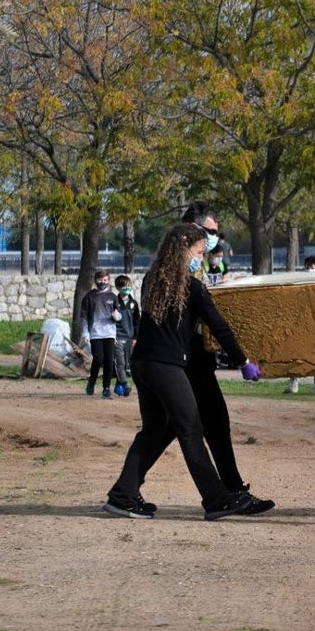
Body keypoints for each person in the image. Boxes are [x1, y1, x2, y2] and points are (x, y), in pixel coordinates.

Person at [102, 223, 264, 520]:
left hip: (142, 364)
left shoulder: (153, 279)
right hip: (167, 367)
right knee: (191, 429)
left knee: (155, 431)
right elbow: (220, 328)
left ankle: (122, 495)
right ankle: (216, 500)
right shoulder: (193, 287)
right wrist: (243, 362)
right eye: (199, 252)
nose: (201, 258)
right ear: (184, 248)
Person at [179, 201, 275, 515]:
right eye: (209, 232)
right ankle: (228, 493)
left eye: (216, 233)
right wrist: (241, 360)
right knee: (210, 426)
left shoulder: (198, 265)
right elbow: (209, 320)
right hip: (185, 363)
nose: (214, 239)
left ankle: (124, 490)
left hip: (191, 361)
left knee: (163, 432)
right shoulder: (181, 270)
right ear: (191, 230)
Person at [287, 257, 315, 395]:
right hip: (302, 324)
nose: (310, 269)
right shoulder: (300, 282)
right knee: (298, 353)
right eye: (308, 266)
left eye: (313, 266)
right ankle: (294, 381)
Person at [80, 270, 119, 399]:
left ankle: (106, 388)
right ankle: (91, 382)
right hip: (95, 333)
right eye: (100, 280)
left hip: (110, 333)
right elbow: (84, 316)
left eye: (105, 280)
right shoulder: (89, 297)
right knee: (98, 359)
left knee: (109, 361)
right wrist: (85, 333)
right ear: (95, 280)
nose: (103, 282)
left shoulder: (113, 297)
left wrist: (117, 317)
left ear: (109, 280)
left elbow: (118, 314)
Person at [112, 274, 140, 397]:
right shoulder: (113, 302)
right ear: (118, 287)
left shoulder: (133, 303)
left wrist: (135, 337)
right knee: (120, 362)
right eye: (124, 286)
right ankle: (124, 384)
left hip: (129, 338)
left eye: (128, 286)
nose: (127, 289)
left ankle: (118, 385)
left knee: (127, 363)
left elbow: (137, 322)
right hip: (117, 337)